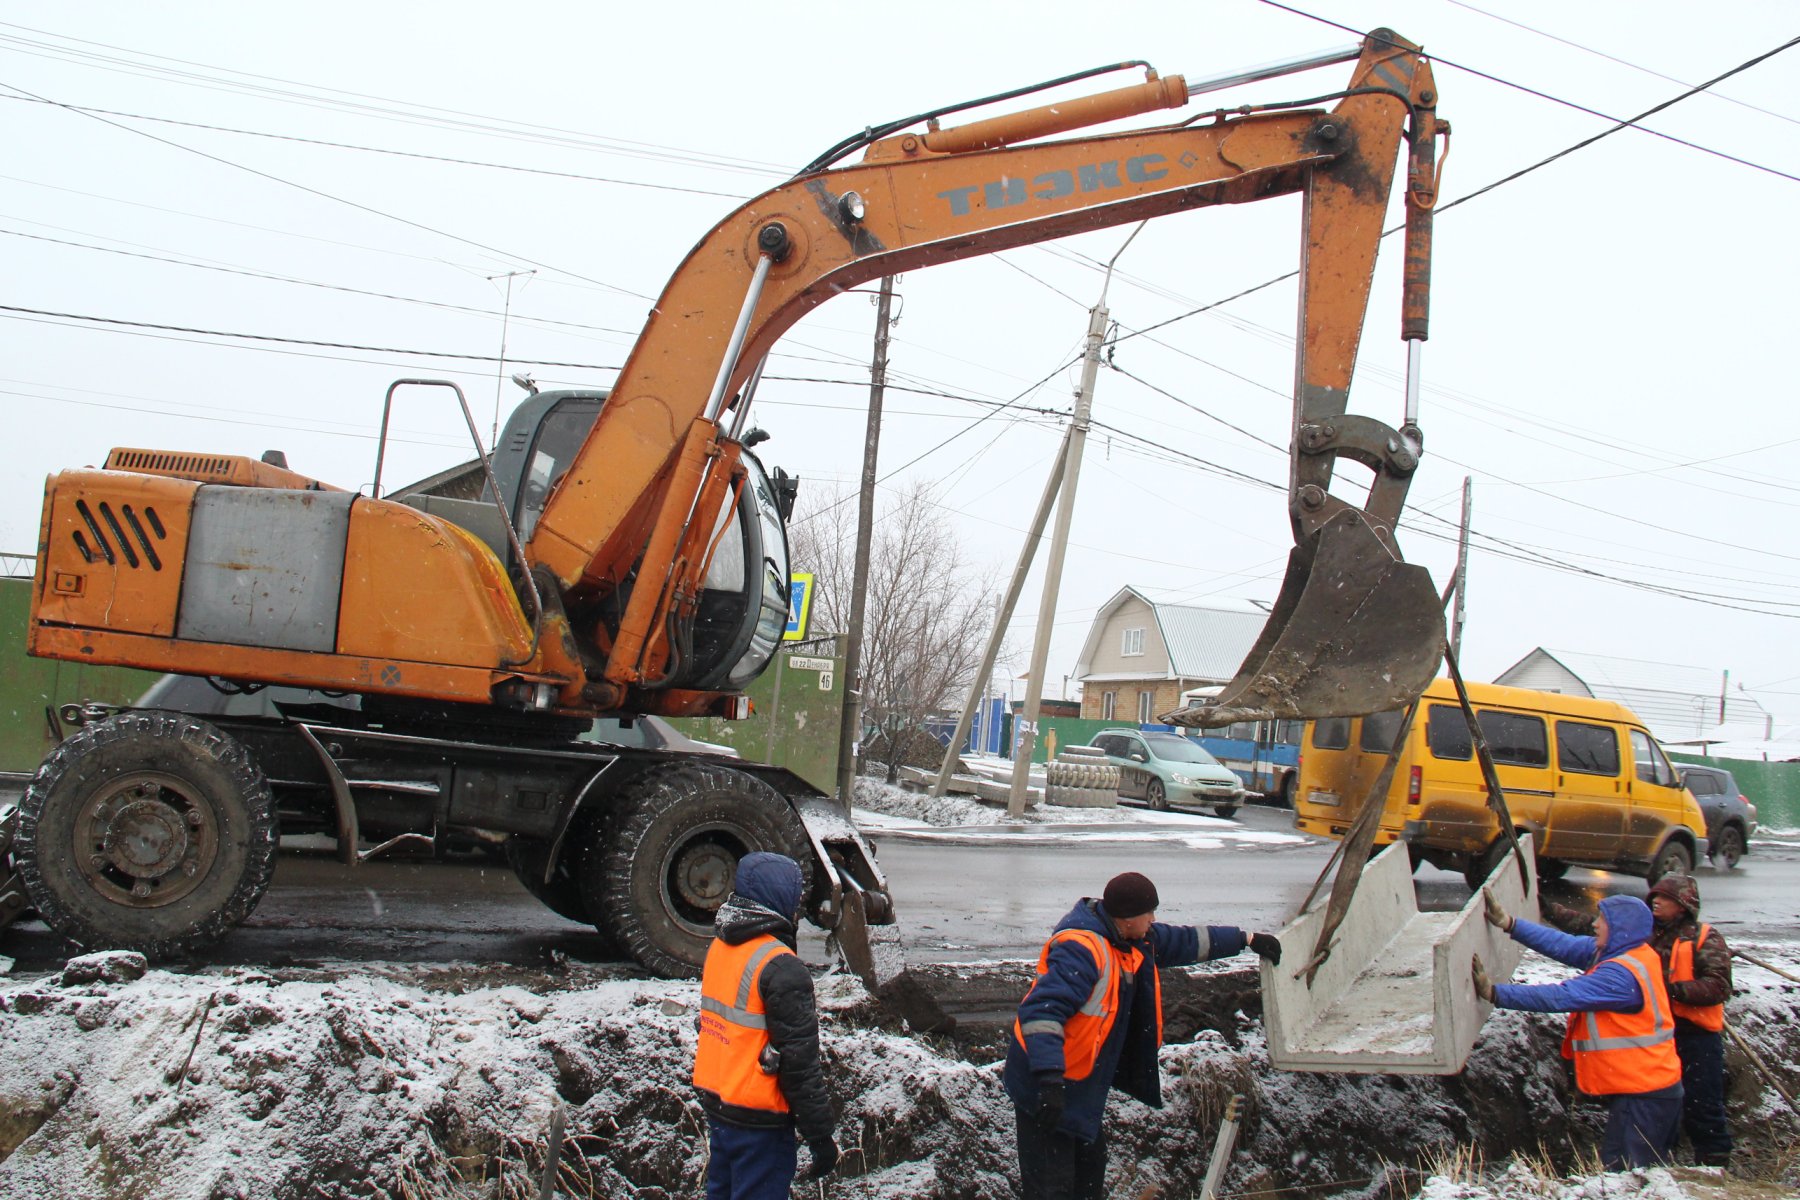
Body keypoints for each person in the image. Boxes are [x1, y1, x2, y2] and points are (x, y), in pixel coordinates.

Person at [1004, 871, 1283, 1199]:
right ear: (1125, 918)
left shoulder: (1135, 938)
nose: (1153, 919)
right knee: (1052, 1189)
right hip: (1046, 1088)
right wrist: (1049, 1080)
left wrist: (1247, 939)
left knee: (1088, 1180)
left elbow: (1188, 941)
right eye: (1148, 913)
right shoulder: (1081, 950)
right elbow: (1042, 1013)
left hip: (1079, 1090)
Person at [1473, 893, 1683, 1171]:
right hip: (1648, 1087)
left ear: (1620, 929)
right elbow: (1565, 945)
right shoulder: (1629, 953)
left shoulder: (1621, 976)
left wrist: (1496, 993)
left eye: (1602, 920)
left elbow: (1562, 997)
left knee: (1628, 1176)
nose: (1595, 925)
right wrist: (1510, 924)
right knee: (1637, 1172)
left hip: (1645, 1095)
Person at [1536, 876, 1733, 1167]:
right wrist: (1550, 910)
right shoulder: (1641, 933)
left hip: (1694, 1037)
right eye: (1655, 896)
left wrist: (1671, 990)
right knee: (1663, 1105)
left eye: (1664, 898)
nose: (1656, 901)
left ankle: (1713, 1165)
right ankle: (1663, 1161)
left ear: (1683, 905)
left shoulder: (1705, 938)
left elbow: (1719, 987)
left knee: (1702, 1104)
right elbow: (1588, 926)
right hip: (1655, 1034)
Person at [692, 852, 837, 1199]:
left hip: (721, 1107)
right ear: (783, 897)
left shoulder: (722, 947)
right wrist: (820, 1137)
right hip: (760, 1122)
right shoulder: (781, 966)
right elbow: (800, 1064)